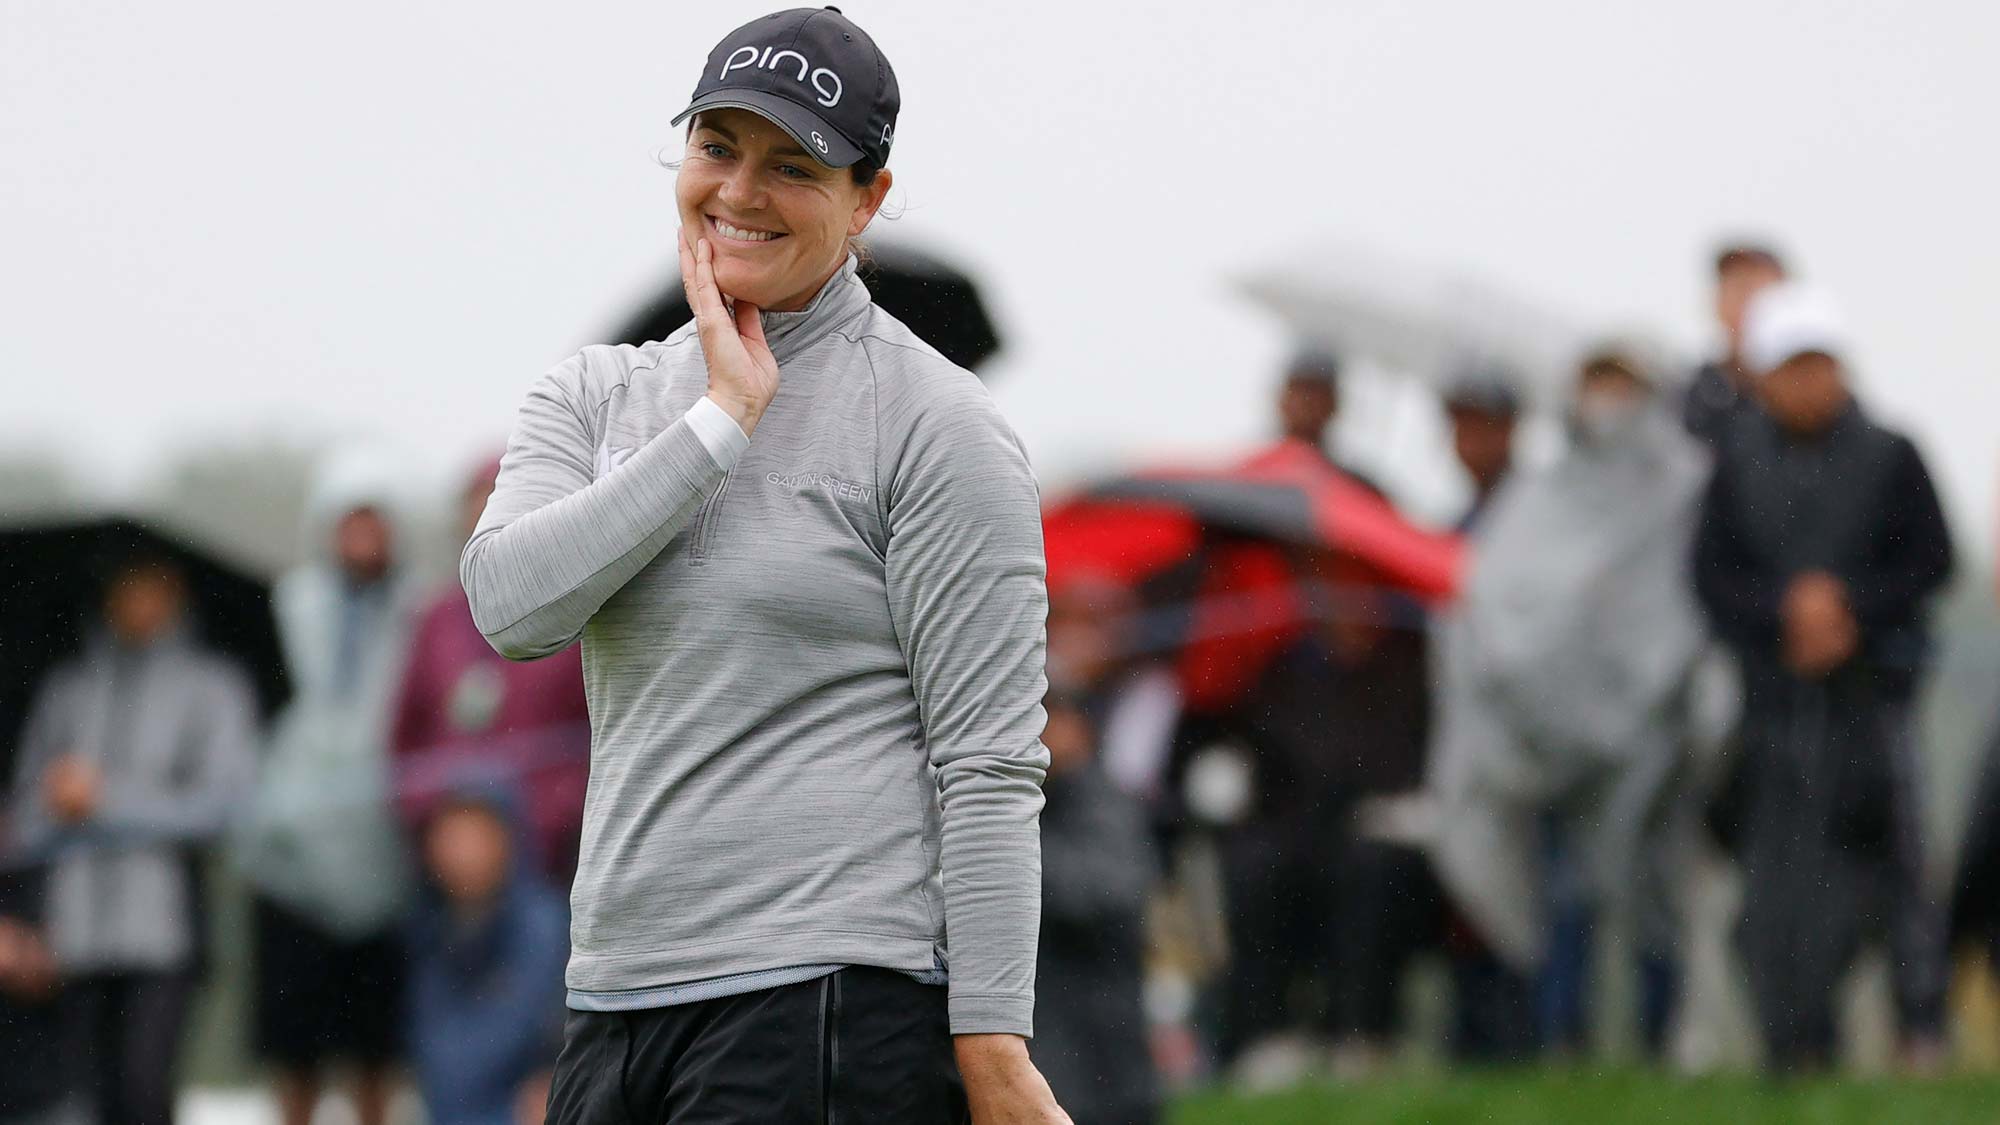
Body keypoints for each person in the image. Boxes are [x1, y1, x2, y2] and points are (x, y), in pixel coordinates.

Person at [461, 9, 1065, 1122]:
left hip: (828, 1000)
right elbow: (511, 607)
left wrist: (992, 1050)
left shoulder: (935, 423)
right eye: (716, 147)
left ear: (866, 199)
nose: (739, 191)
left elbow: (985, 762)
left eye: (793, 165)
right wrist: (718, 421)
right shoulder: (591, 392)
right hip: (611, 1000)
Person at [1694, 283, 1954, 1070]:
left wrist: (1848, 611)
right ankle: (1796, 1042)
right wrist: (1786, 614)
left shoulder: (1891, 452)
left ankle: (1921, 1031)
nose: (1808, 382)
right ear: (1765, 376)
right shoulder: (1736, 464)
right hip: (1773, 711)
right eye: (1792, 367)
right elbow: (1712, 577)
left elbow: (1931, 559)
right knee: (1778, 888)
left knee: (1901, 874)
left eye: (1821, 365)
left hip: (1873, 700)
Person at [1431, 341, 1709, 1059]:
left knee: (1654, 893)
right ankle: (1565, 1042)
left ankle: (1660, 1036)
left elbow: (1679, 604)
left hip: (1655, 730)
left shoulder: (1684, 487)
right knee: (1568, 894)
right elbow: (1498, 598)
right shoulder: (1541, 495)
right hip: (1557, 739)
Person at [5, 547, 258, 1125]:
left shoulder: (213, 686)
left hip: (164, 933)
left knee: (146, 1090)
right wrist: (54, 803)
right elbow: (23, 816)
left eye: (153, 586)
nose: (138, 601)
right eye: (126, 585)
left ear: (177, 595)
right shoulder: (67, 689)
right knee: (84, 1100)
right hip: (73, 933)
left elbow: (225, 806)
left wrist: (108, 801)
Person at [235, 451, 425, 1125]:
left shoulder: (419, 609)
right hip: (290, 861)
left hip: (383, 861)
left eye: (376, 520)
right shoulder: (286, 601)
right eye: (351, 520)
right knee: (295, 1053)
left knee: (376, 1052)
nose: (364, 536)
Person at [1218, 558, 1436, 1080]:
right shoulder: (1284, 671)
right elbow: (1261, 757)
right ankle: (1266, 1034)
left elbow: (1408, 763)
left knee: (1371, 869)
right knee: (1253, 866)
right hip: (1296, 830)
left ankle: (1360, 1034)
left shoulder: (1410, 666)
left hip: (1381, 835)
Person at [392, 455, 591, 884]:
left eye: (503, 502)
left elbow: (592, 734)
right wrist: (435, 816)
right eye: (478, 505)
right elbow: (404, 739)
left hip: (545, 855)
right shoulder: (435, 619)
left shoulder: (575, 618)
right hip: (444, 856)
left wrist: (548, 812)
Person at [407, 775, 570, 1125]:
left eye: (475, 835)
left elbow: (545, 1035)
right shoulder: (430, 929)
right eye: (450, 835)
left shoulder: (546, 925)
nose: (461, 851)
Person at [1032, 694, 1159, 1125]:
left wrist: (1008, 854)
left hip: (1104, 1056)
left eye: (1049, 718)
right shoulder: (1036, 801)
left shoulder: (1103, 799)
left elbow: (1103, 895)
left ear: (1079, 727)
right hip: (1057, 1049)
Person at [1682, 243, 1786, 448]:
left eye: (1754, 288)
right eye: (1733, 288)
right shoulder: (1687, 398)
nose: (1744, 302)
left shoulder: (1824, 399)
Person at [1439, 368, 1522, 532]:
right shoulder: (1477, 507)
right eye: (1460, 420)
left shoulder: (1522, 506)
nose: (1465, 434)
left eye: (1478, 422)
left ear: (1507, 430)